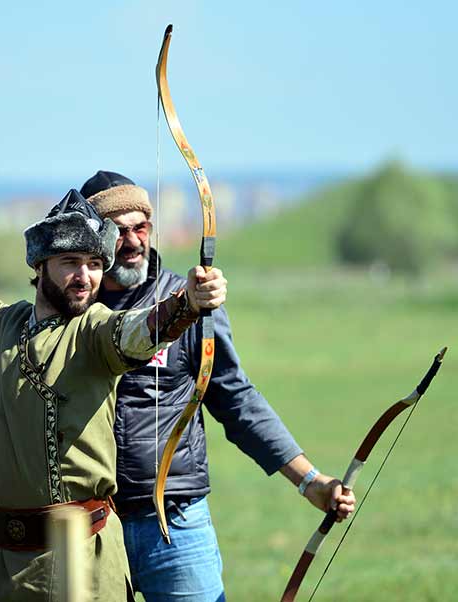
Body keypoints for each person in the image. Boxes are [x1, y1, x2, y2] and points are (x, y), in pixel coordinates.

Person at [0, 146, 228, 602]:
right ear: (40, 265)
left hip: (73, 553)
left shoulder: (95, 330)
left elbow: (137, 333)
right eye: (71, 263)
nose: (85, 276)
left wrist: (186, 301)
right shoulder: (4, 323)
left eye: (94, 265)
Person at [79, 171, 356, 601]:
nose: (133, 242)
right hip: (88, 530)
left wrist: (310, 481)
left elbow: (234, 397)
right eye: (118, 231)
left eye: (141, 227)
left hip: (174, 527)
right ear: (92, 238)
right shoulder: (71, 309)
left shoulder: (189, 300)